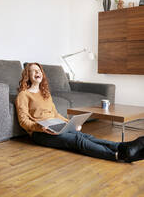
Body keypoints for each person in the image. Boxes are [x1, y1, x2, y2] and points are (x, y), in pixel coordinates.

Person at [15, 63, 144, 163]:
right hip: (40, 133)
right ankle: (118, 155)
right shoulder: (23, 95)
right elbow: (23, 121)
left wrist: (69, 123)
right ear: (28, 75)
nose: (38, 72)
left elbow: (55, 114)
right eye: (34, 71)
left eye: (39, 70)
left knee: (86, 136)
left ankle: (123, 146)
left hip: (57, 125)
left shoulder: (45, 93)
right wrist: (40, 128)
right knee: (77, 140)